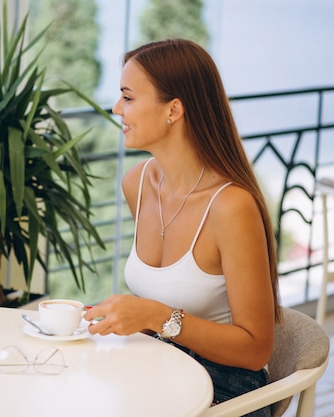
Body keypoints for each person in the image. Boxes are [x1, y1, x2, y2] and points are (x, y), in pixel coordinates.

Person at [84, 39, 280, 416]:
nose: (116, 108)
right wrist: (122, 317)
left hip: (225, 389)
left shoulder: (230, 206)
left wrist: (153, 315)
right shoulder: (137, 183)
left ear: (173, 109)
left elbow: (256, 350)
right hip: (160, 370)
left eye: (128, 97)